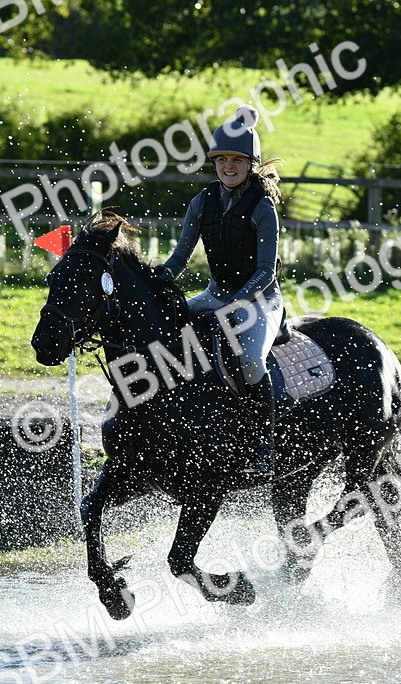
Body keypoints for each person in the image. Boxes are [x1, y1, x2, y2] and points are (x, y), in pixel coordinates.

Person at [159, 105, 285, 476]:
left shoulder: (263, 207)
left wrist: (238, 304)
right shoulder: (202, 201)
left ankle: (264, 443)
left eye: (237, 160)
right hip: (215, 294)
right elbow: (180, 257)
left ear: (251, 163)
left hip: (261, 299)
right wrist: (157, 279)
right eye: (221, 159)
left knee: (249, 361)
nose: (228, 166)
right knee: (169, 334)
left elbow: (265, 272)